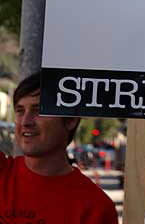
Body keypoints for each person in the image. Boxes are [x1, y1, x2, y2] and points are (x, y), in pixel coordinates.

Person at [0, 71, 118, 223]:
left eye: (38, 110)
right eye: (20, 111)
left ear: (70, 120)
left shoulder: (96, 208)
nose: (25, 122)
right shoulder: (3, 171)